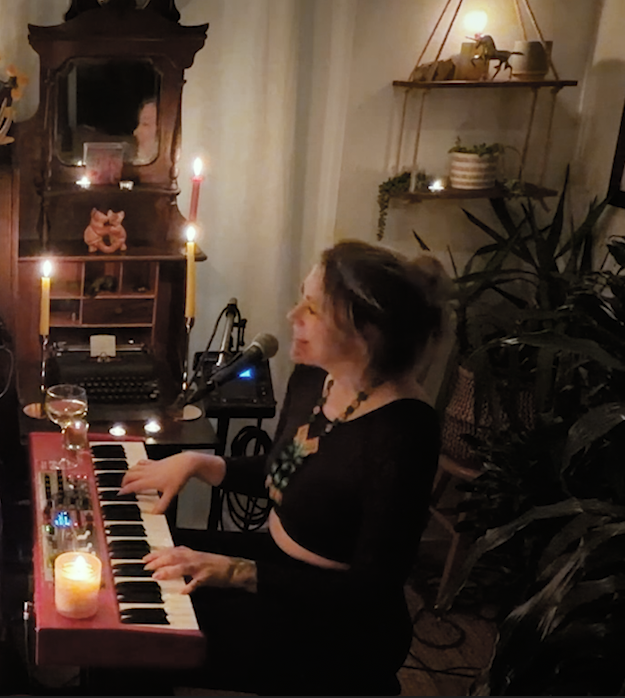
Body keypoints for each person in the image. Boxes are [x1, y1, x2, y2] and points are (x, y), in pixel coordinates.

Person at [120, 240, 449, 695]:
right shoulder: (315, 378)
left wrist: (237, 571)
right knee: (132, 568)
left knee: (136, 636)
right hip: (275, 564)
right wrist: (199, 463)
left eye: (313, 308)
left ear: (366, 332)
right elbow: (290, 474)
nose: (294, 315)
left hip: (339, 624)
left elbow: (370, 592)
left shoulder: (405, 430)